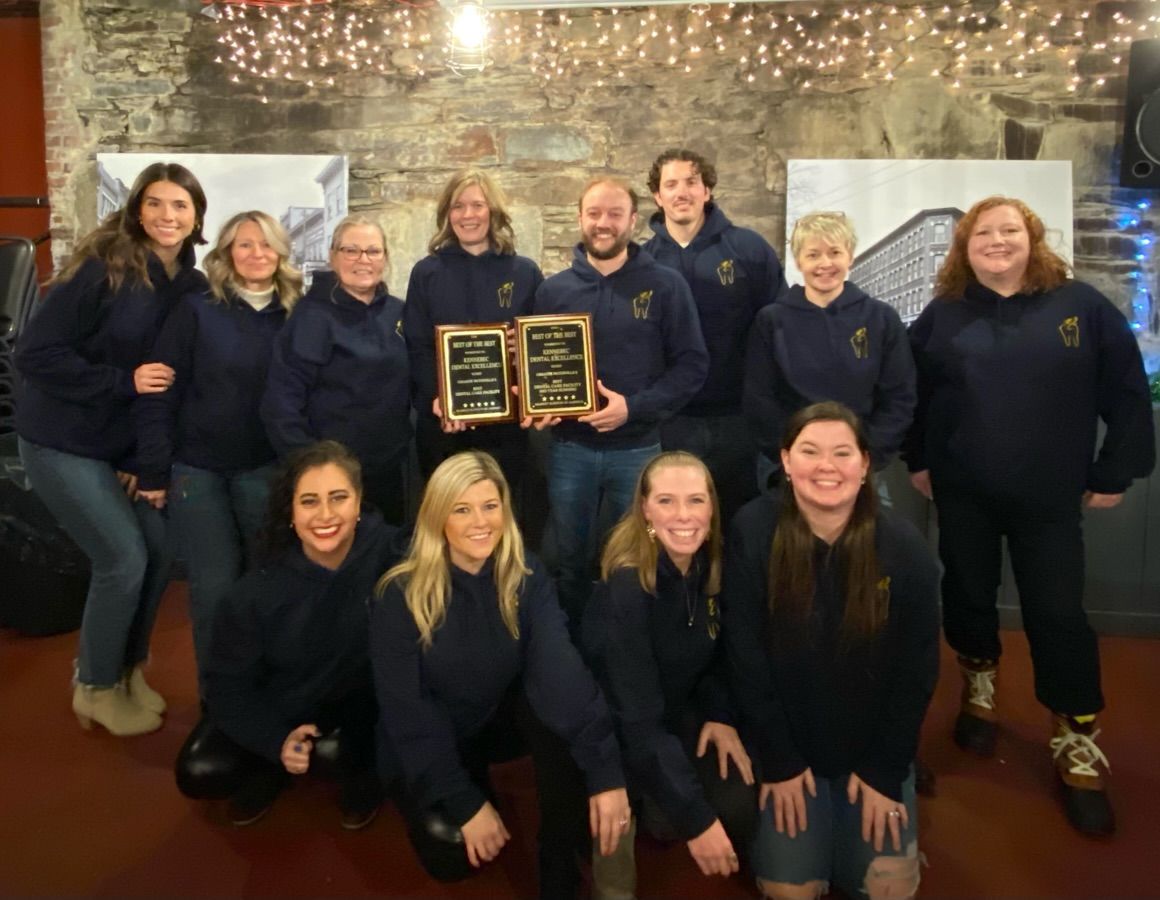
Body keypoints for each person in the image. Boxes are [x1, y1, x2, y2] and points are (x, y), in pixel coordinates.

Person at [903, 196, 1155, 837]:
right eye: (982, 233)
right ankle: (979, 688)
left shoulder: (1081, 308)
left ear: (1031, 239)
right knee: (966, 597)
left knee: (1058, 613)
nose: (996, 241)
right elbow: (913, 395)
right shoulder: (942, 316)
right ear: (965, 246)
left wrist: (1113, 470)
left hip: (1050, 497)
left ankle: (1076, 739)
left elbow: (1126, 390)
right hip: (963, 491)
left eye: (1008, 230)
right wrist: (916, 460)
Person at [371, 450, 630, 895]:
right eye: (462, 509)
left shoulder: (526, 576)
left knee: (557, 715)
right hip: (430, 736)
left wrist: (605, 772)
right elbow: (408, 713)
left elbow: (560, 673)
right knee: (454, 855)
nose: (480, 522)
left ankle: (558, 854)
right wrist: (463, 801)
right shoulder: (399, 594)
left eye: (491, 506)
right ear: (438, 517)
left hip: (492, 720)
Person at [15, 161, 208, 736]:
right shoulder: (104, 268)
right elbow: (34, 355)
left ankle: (125, 670)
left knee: (156, 547)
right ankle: (94, 686)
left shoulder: (190, 285)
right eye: (155, 203)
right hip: (60, 439)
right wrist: (122, 381)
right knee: (121, 558)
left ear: (197, 216)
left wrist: (135, 459)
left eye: (180, 206)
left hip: (116, 448)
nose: (167, 216)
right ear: (137, 209)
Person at [725, 402, 938, 900]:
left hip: (871, 750)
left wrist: (886, 769)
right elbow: (745, 656)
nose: (827, 466)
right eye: (810, 451)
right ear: (786, 460)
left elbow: (918, 669)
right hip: (789, 748)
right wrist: (779, 761)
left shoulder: (904, 548)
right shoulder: (752, 531)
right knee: (790, 890)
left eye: (843, 453)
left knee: (890, 890)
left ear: (865, 464)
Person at [175, 441, 399, 829]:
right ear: (291, 512)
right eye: (309, 501)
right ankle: (271, 767)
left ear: (359, 502)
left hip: (359, 700)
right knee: (200, 770)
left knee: (339, 751)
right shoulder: (256, 592)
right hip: (283, 700)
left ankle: (363, 773)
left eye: (339, 498)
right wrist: (273, 740)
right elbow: (225, 685)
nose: (326, 515)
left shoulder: (393, 554)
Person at [530, 176, 709, 630]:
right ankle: (572, 647)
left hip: (638, 450)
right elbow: (536, 367)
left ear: (633, 219)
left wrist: (632, 407)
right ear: (580, 219)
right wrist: (535, 400)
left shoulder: (667, 286)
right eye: (594, 214)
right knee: (569, 560)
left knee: (633, 561)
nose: (603, 223)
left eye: (614, 214)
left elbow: (691, 366)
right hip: (569, 450)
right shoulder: (553, 292)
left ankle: (623, 646)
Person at [135, 210, 302, 693]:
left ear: (280, 253)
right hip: (198, 471)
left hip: (266, 468)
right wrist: (152, 470)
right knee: (214, 589)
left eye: (266, 245)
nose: (256, 254)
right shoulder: (197, 308)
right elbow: (160, 390)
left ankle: (265, 690)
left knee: (265, 582)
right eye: (244, 245)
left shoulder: (296, 311)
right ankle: (220, 700)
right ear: (227, 252)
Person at [581, 451, 758, 896]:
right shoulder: (625, 588)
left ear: (712, 508)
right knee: (615, 819)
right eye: (666, 501)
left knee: (737, 803)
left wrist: (719, 713)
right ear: (644, 509)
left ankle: (661, 803)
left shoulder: (710, 563)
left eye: (696, 501)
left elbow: (719, 656)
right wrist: (697, 820)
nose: (684, 516)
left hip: (672, 712)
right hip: (609, 730)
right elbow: (634, 718)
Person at [644, 148, 786, 526]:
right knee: (676, 525)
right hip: (671, 421)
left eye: (691, 182)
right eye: (670, 184)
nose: (681, 192)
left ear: (707, 190)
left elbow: (777, 329)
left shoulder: (749, 249)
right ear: (657, 197)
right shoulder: (642, 262)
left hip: (738, 420)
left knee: (740, 524)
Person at [744, 211, 915, 483]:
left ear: (850, 256)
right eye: (813, 255)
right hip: (787, 467)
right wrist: (788, 457)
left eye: (835, 252)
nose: (825, 263)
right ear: (799, 261)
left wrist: (867, 457)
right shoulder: (771, 320)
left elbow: (899, 398)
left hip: (860, 466)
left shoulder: (882, 319)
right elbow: (760, 399)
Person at [261, 214, 410, 524]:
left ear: (385, 257)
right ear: (333, 256)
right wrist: (310, 467)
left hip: (391, 470)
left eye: (373, 251)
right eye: (351, 250)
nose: (363, 260)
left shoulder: (399, 312)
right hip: (331, 477)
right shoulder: (311, 316)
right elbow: (281, 403)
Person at [404, 169, 543, 496]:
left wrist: (519, 348)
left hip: (505, 430)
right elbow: (418, 347)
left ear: (492, 211)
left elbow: (538, 349)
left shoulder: (524, 272)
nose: (468, 215)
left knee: (501, 518)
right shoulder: (426, 273)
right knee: (443, 518)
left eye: (477, 205)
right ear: (446, 214)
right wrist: (439, 401)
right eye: (457, 206)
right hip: (443, 427)